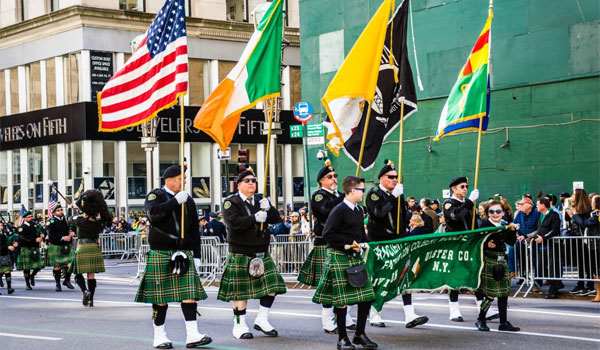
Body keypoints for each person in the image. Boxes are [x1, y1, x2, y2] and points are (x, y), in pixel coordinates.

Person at [135, 165, 212, 349]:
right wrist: (175, 202)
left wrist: (197, 255)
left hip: (184, 252)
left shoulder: (188, 200)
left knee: (189, 295)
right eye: (181, 178)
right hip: (161, 252)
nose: (184, 180)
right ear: (169, 179)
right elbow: (153, 215)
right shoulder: (156, 196)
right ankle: (159, 336)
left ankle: (193, 334)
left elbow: (194, 230)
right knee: (160, 298)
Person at [219, 167, 286, 339]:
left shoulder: (261, 200)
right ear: (239, 184)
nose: (252, 183)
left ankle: (262, 319)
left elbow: (276, 219)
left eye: (254, 180)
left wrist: (270, 208)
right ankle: (239, 324)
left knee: (273, 287)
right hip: (241, 252)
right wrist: (254, 218)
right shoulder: (231, 202)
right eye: (247, 181)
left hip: (261, 252)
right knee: (240, 292)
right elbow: (233, 223)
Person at [313, 176, 378, 350]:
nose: (363, 193)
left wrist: (363, 242)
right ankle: (342, 338)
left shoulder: (358, 210)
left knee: (366, 297)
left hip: (354, 257)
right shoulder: (339, 209)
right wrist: (348, 243)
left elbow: (359, 234)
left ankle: (359, 335)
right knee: (341, 300)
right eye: (361, 190)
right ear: (351, 191)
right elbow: (328, 234)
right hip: (339, 255)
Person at [365, 161, 428, 330]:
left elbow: (400, 219)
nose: (394, 180)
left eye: (396, 177)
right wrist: (393, 198)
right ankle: (374, 313)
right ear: (381, 178)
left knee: (404, 275)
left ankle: (409, 314)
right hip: (381, 243)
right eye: (391, 177)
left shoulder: (398, 195)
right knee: (381, 278)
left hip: (398, 241)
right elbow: (379, 213)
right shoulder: (374, 194)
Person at [298, 160, 348, 334]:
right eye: (330, 177)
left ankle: (345, 317)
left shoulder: (338, 195)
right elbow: (326, 212)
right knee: (328, 284)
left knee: (344, 283)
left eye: (335, 176)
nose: (334, 179)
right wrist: (343, 198)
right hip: (325, 244)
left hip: (341, 242)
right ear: (321, 181)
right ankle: (327, 321)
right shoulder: (319, 196)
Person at [475, 200, 520, 332]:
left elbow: (511, 242)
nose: (495, 214)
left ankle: (503, 322)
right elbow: (475, 242)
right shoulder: (484, 225)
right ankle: (481, 319)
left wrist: (512, 230)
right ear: (488, 213)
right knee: (489, 294)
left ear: (503, 213)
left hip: (502, 261)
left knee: (504, 293)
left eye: (498, 211)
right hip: (489, 261)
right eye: (492, 211)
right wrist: (485, 244)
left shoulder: (504, 225)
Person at [442, 176, 480, 322]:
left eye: (466, 187)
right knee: (455, 278)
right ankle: (454, 310)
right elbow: (456, 216)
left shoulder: (469, 204)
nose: (465, 189)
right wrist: (470, 201)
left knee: (475, 274)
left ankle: (482, 307)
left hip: (470, 245)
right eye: (462, 187)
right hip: (456, 245)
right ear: (453, 188)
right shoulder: (448, 204)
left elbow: (474, 224)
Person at [68, 190, 111, 307]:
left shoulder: (79, 220)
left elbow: (69, 219)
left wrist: (70, 208)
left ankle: (85, 291)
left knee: (77, 273)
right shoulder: (97, 221)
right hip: (94, 247)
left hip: (82, 247)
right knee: (91, 275)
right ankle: (91, 298)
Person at [520, 197, 562, 299]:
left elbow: (555, 230)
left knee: (553, 267)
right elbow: (538, 230)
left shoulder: (554, 215)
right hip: (542, 247)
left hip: (552, 246)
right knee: (541, 267)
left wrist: (544, 238)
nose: (536, 206)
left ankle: (553, 290)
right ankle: (556, 284)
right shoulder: (541, 216)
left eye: (538, 204)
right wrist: (526, 236)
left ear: (543, 205)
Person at [572, 195, 599, 301]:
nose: (591, 203)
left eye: (593, 201)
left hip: (596, 244)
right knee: (596, 271)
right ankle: (598, 294)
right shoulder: (594, 214)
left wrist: (574, 214)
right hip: (592, 244)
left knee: (596, 270)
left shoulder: (596, 215)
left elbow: (584, 223)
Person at [567, 189, 595, 295]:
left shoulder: (586, 209)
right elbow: (568, 219)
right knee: (579, 262)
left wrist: (574, 214)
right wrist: (570, 209)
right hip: (575, 238)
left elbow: (583, 224)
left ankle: (590, 284)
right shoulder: (574, 208)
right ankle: (580, 283)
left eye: (574, 194)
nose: (572, 196)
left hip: (584, 239)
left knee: (587, 262)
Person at [45, 204, 76, 291]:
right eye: (58, 210)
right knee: (57, 266)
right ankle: (58, 284)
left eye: (61, 210)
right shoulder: (50, 222)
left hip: (67, 245)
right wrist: (63, 237)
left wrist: (72, 232)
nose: (60, 211)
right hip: (56, 245)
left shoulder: (65, 220)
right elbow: (51, 234)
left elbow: (71, 225)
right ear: (54, 212)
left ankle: (67, 280)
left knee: (71, 264)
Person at [16, 209, 45, 290]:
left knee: (40, 265)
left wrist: (43, 234)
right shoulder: (22, 227)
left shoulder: (35, 225)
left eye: (31, 216)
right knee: (27, 268)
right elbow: (22, 238)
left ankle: (32, 275)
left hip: (35, 248)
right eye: (29, 217)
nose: (31, 218)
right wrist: (34, 240)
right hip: (26, 248)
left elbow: (42, 230)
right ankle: (27, 283)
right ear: (25, 218)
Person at [0, 222, 17, 294]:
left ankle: (9, 288)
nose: (2, 226)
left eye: (2, 225)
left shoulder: (4, 234)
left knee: (7, 271)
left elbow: (7, 242)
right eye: (0, 225)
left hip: (5, 255)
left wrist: (13, 244)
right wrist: (7, 247)